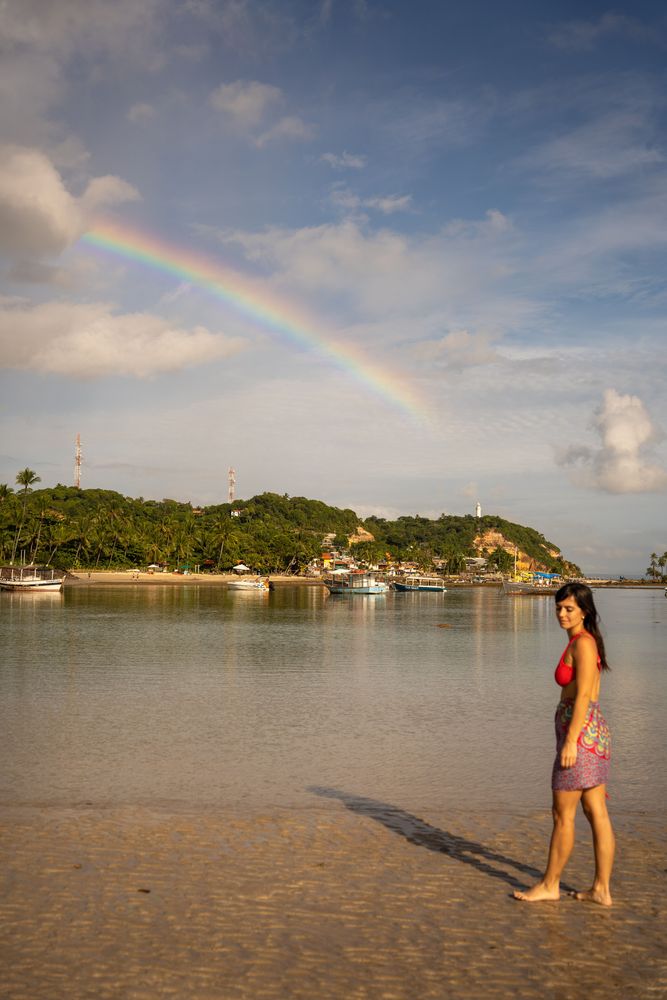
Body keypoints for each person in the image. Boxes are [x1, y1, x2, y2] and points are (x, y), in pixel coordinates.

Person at [513, 582, 614, 906]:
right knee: (595, 810)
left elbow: (583, 694)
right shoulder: (583, 641)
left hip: (580, 735)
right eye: (559, 607)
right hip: (590, 731)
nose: (562, 613)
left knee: (562, 814)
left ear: (584, 611)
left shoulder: (582, 644)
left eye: (569, 608)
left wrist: (571, 741)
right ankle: (601, 890)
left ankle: (550, 884)